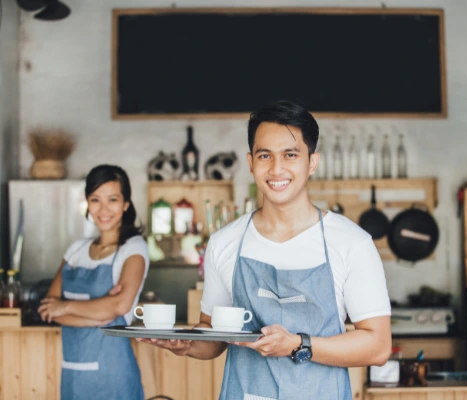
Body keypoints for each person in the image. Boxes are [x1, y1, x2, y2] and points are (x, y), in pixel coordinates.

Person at [138, 101, 392, 399]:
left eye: (290, 154)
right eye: (265, 155)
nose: (276, 168)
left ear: (312, 162)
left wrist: (298, 343)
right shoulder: (225, 242)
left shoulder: (351, 243)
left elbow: (378, 346)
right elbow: (213, 335)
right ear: (250, 162)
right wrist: (188, 345)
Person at [38, 165, 149, 400]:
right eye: (95, 199)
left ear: (126, 203)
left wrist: (66, 306)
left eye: (113, 199)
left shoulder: (133, 249)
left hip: (114, 376)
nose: (103, 209)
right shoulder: (76, 250)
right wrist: (100, 312)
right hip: (73, 375)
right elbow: (49, 310)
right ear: (87, 202)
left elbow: (119, 306)